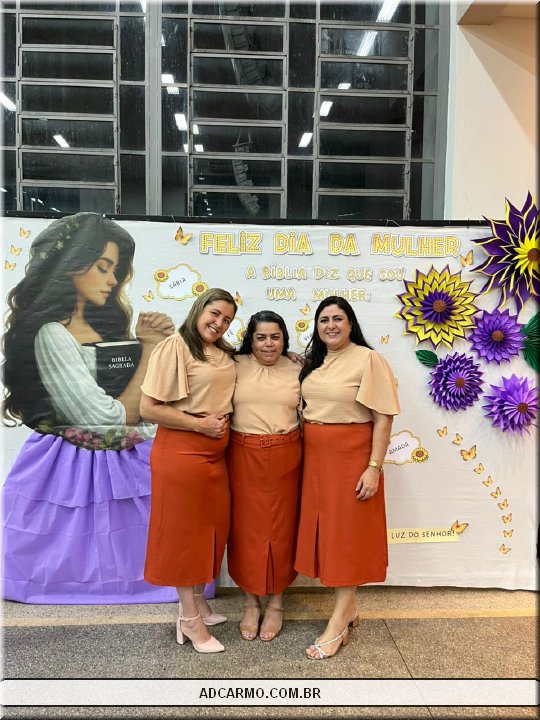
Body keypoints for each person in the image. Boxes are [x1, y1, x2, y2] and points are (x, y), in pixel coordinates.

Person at [2, 212, 177, 603]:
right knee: (88, 535)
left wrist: (150, 343)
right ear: (71, 265)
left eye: (115, 269)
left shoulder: (103, 330)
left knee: (124, 535)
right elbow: (104, 418)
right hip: (76, 460)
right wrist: (150, 348)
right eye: (103, 266)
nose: (112, 280)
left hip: (125, 458)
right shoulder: (52, 334)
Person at [295, 296, 400, 659]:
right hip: (315, 460)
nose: (331, 325)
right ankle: (350, 609)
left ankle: (338, 622)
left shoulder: (368, 359)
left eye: (338, 318)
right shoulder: (315, 361)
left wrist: (374, 467)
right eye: (324, 319)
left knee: (346, 538)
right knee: (328, 534)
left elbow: (383, 417)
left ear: (351, 323)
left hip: (351, 457)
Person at [140, 288, 237, 654]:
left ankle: (199, 602)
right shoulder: (175, 347)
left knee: (209, 529)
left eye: (227, 319)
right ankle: (189, 619)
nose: (219, 323)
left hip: (214, 455)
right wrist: (199, 425)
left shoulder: (223, 352)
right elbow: (148, 408)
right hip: (181, 452)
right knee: (184, 536)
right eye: (215, 314)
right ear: (199, 309)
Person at [226, 311, 302, 642]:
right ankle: (250, 602)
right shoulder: (233, 363)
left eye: (275, 337)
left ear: (284, 339)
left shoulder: (299, 367)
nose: (268, 344)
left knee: (283, 529)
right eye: (261, 337)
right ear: (250, 340)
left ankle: (276, 603)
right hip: (242, 454)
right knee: (245, 529)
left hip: (287, 454)